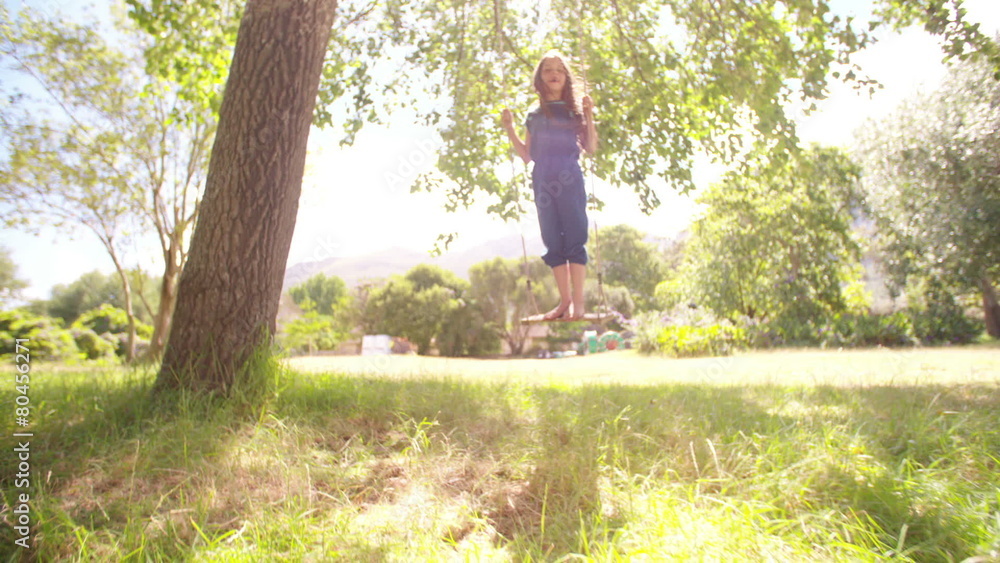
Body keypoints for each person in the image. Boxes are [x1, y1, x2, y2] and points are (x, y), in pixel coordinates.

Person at [502, 50, 598, 321]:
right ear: (540, 78)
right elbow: (526, 156)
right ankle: (564, 303)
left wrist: (589, 115)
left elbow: (590, 147)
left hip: (569, 175)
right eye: (548, 70)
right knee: (552, 238)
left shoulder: (575, 111)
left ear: (566, 77)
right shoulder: (533, 116)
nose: (554, 73)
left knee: (575, 235)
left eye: (559, 69)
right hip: (542, 177)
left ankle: (578, 304)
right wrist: (509, 128)